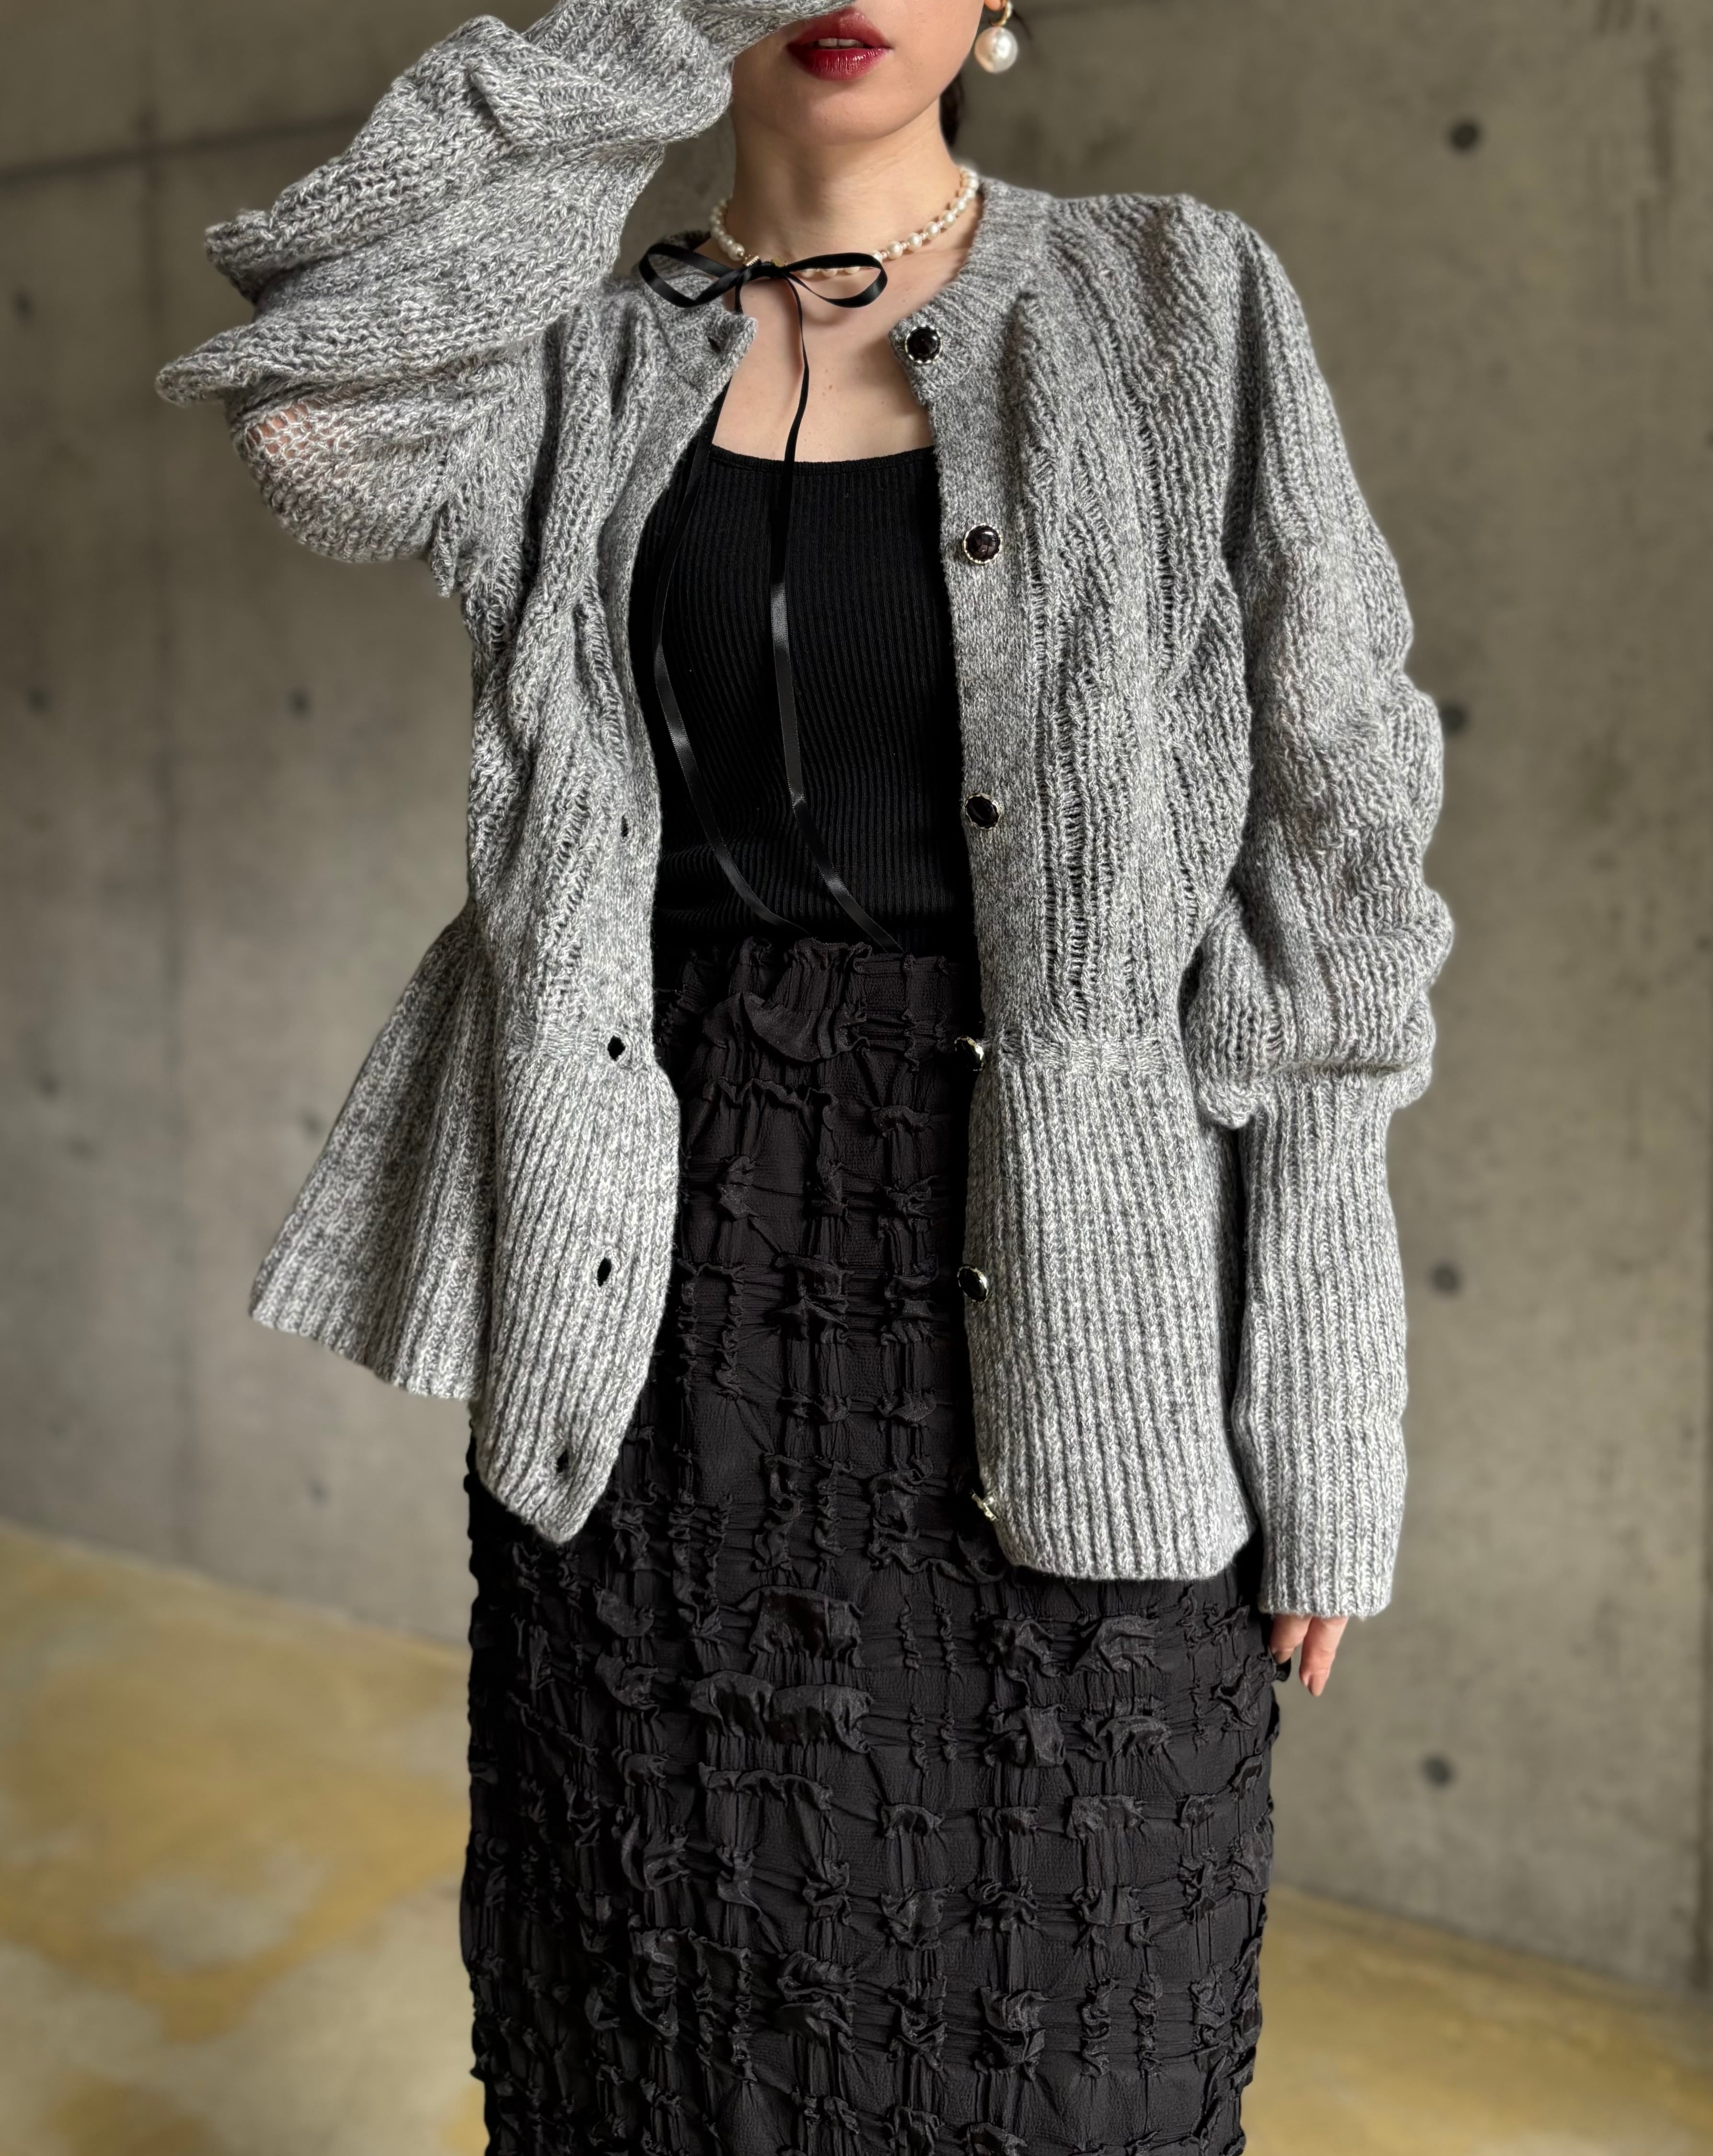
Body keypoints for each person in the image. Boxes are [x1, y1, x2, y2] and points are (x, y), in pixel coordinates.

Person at [160, 3, 1452, 2148]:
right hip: (662, 1302)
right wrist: (649, 35)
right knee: (658, 2029)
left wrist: (1325, 1410)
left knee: (1074, 2038)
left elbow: (1336, 872)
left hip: (1081, 1306)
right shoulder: (571, 361)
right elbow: (319, 420)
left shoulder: (1174, 297)